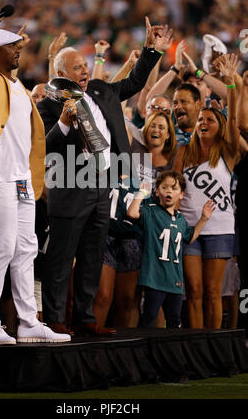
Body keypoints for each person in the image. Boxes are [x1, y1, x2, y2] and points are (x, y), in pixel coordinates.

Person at [37, 17, 173, 336]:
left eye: (84, 65)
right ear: (60, 76)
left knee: (92, 256)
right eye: (76, 68)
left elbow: (135, 82)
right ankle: (55, 318)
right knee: (60, 259)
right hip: (69, 188)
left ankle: (85, 318)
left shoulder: (101, 90)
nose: (84, 71)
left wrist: (151, 50)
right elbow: (46, 145)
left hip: (103, 188)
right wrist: (67, 123)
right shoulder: (47, 106)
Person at [0, 4, 70, 345]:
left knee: (27, 248)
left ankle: (27, 322)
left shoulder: (19, 86)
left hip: (22, 178)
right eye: (12, 47)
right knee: (3, 249)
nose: (18, 50)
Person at [173, 53, 240, 329]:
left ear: (220, 125)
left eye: (210, 119)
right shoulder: (182, 152)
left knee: (214, 294)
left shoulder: (228, 152)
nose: (203, 123)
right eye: (201, 119)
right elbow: (175, 187)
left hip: (220, 229)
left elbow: (235, 120)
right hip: (190, 230)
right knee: (194, 294)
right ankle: (198, 348)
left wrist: (231, 85)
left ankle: (215, 348)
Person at [93, 111, 176, 328]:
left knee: (128, 300)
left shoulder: (169, 164)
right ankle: (91, 349)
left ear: (168, 134)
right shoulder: (131, 148)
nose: (156, 130)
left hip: (137, 236)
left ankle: (122, 351)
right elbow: (116, 111)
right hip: (108, 233)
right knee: (102, 296)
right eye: (152, 125)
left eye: (161, 127)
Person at [127, 171, 215, 328]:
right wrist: (141, 193)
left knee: (174, 321)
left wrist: (203, 219)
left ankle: (170, 352)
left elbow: (190, 237)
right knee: (149, 318)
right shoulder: (151, 211)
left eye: (174, 188)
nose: (169, 191)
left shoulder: (181, 219)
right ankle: (144, 352)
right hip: (154, 278)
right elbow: (132, 213)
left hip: (174, 280)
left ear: (181, 195)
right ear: (157, 191)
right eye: (164, 187)